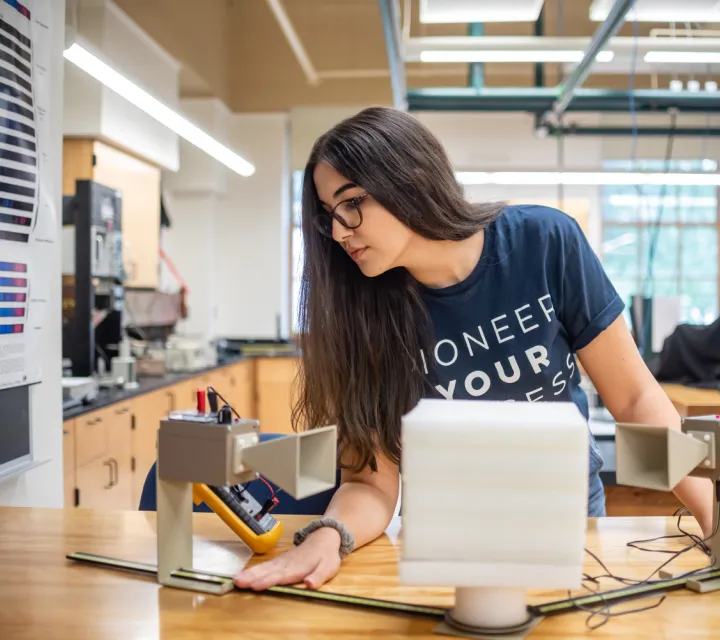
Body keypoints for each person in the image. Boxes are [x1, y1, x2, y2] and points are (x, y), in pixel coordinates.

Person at [234, 106, 713, 592]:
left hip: (567, 528)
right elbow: (370, 484)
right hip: (443, 545)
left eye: (352, 202)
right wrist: (328, 537)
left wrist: (711, 516)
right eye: (328, 218)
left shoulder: (544, 243)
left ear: (412, 178)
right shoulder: (365, 316)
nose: (339, 232)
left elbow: (634, 400)